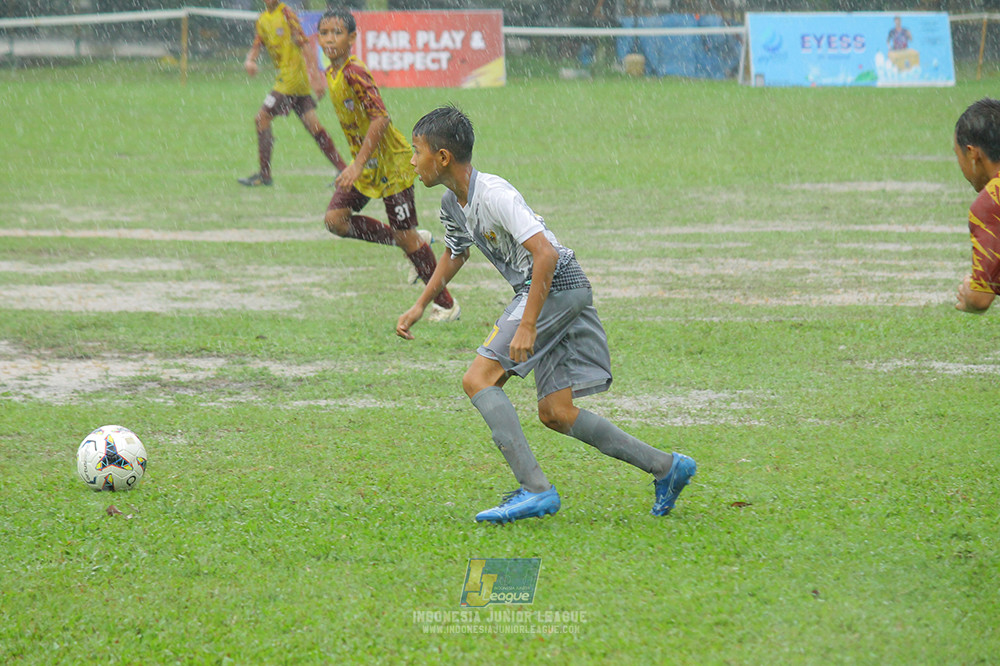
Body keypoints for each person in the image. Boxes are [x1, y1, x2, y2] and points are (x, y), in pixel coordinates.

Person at [397, 106, 696, 524]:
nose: (412, 161)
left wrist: (529, 324)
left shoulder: (495, 193)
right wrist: (419, 304)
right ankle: (667, 467)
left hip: (555, 285)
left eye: (416, 151)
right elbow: (454, 253)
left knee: (477, 379)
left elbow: (546, 253)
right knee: (556, 412)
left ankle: (536, 490)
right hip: (558, 290)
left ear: (442, 157)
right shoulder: (453, 202)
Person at [316, 9, 459, 320]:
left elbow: (380, 118)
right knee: (335, 220)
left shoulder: (355, 72)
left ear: (352, 38)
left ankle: (446, 305)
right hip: (367, 166)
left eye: (336, 32)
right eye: (324, 32)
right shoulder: (332, 72)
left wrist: (356, 164)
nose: (329, 39)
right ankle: (411, 240)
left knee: (404, 236)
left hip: (391, 164)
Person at [238, 0, 346, 187]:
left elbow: (305, 45)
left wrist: (316, 79)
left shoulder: (287, 14)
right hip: (295, 83)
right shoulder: (262, 19)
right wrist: (250, 60)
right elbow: (258, 43)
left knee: (261, 119)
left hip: (291, 81)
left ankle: (265, 176)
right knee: (314, 126)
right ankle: (343, 170)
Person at [953, 97, 1000, 313]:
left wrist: (969, 293)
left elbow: (980, 299)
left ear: (972, 154)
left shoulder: (992, 202)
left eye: (958, 155)